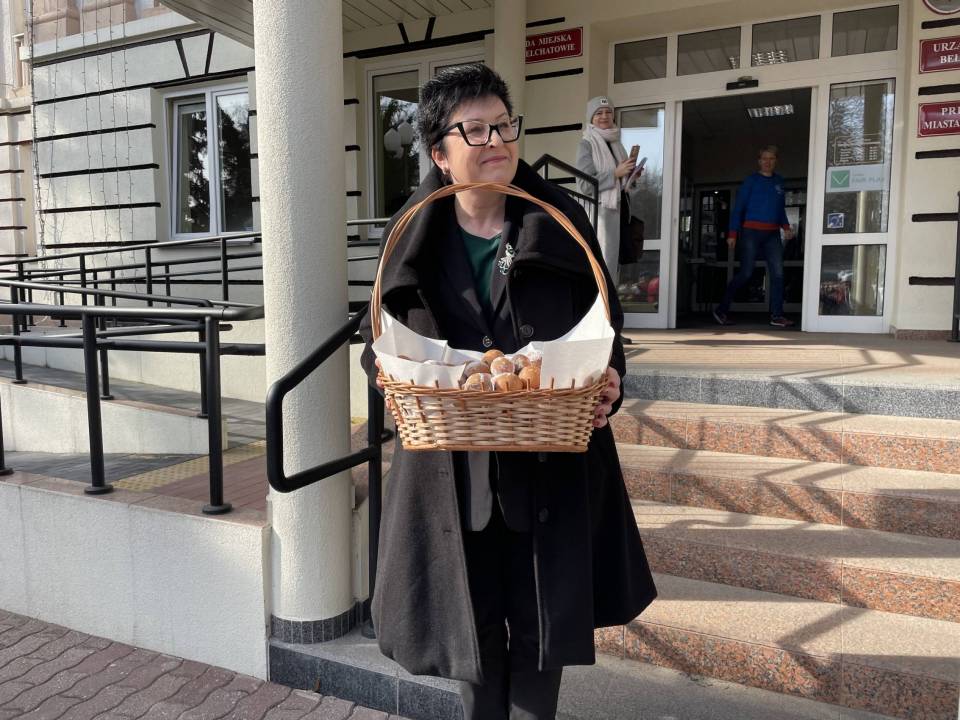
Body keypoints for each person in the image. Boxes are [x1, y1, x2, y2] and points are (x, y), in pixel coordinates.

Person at [359, 65, 656, 720]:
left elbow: (606, 329)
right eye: (475, 130)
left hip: (549, 466)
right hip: (451, 473)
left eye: (503, 125)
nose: (495, 140)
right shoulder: (414, 233)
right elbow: (374, 342)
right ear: (439, 153)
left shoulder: (558, 219)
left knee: (541, 637)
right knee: (472, 639)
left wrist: (610, 382)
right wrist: (388, 380)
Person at [575, 96, 640, 345]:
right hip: (600, 216)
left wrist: (630, 176)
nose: (604, 117)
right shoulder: (587, 143)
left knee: (613, 274)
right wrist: (615, 173)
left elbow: (620, 183)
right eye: (599, 113)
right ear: (591, 118)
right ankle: (601, 331)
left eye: (608, 112)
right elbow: (584, 183)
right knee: (602, 273)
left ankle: (611, 329)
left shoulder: (615, 143)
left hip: (618, 213)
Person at [713, 145, 796, 328]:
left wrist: (786, 227)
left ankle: (777, 315)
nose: (768, 162)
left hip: (772, 234)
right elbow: (738, 209)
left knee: (778, 274)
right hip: (751, 232)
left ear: (776, 161)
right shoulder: (751, 181)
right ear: (759, 161)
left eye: (771, 158)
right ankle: (721, 310)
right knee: (746, 273)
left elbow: (780, 209)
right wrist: (732, 234)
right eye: (764, 158)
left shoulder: (779, 182)